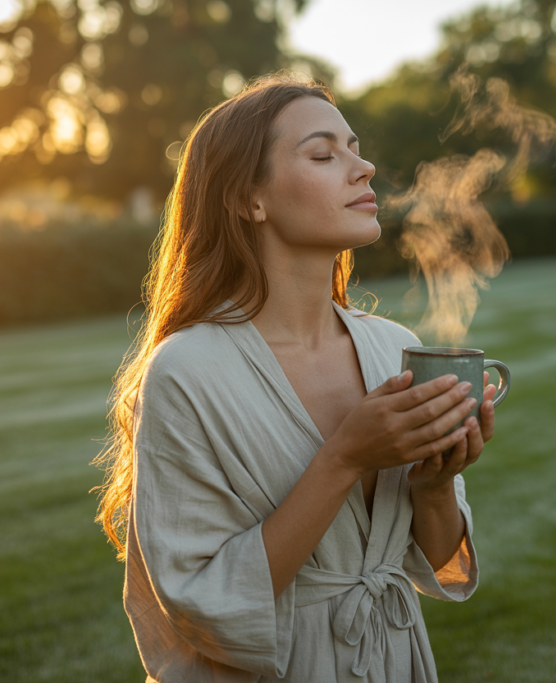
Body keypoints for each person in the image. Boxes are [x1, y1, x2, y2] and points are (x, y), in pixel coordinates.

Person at [94, 72, 497, 683]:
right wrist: (344, 458)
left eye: (355, 148)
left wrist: (436, 484)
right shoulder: (187, 371)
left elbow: (436, 561)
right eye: (322, 154)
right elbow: (202, 603)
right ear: (248, 199)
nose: (361, 169)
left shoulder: (397, 349)